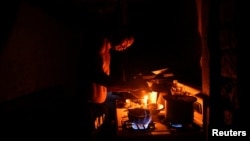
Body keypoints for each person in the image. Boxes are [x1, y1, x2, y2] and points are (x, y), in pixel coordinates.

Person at [72, 25, 135, 140]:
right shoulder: (98, 44)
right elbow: (96, 77)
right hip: (88, 107)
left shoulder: (108, 53)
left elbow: (106, 86)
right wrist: (129, 85)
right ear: (119, 33)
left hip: (100, 106)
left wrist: (131, 89)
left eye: (128, 46)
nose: (125, 47)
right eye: (126, 42)